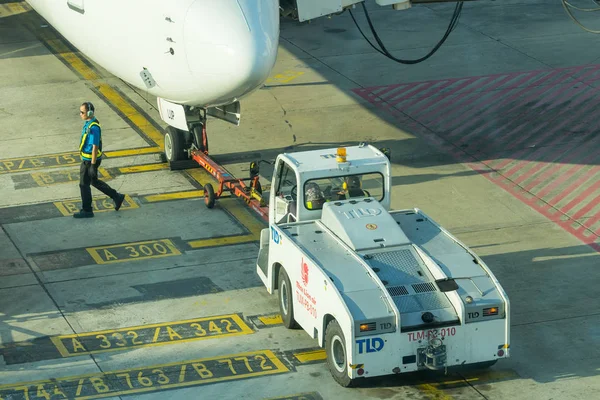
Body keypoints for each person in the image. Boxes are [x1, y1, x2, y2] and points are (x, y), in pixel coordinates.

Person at [73, 102, 125, 218]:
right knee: (94, 181)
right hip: (88, 159)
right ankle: (116, 196)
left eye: (82, 112)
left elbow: (95, 146)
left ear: (89, 112)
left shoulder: (94, 127)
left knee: (83, 184)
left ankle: (87, 210)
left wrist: (92, 165)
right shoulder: (89, 123)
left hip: (89, 161)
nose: (80, 114)